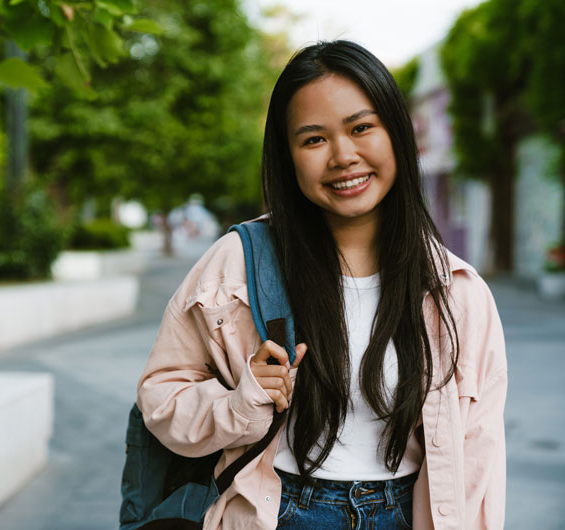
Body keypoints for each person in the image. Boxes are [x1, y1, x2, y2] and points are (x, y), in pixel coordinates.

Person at [136, 40, 507, 530]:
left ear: (396, 131)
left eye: (361, 128)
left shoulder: (455, 289)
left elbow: (478, 452)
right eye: (313, 139)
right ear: (287, 156)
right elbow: (161, 397)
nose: (343, 156)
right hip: (279, 511)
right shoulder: (236, 265)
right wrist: (238, 402)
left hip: (410, 512)